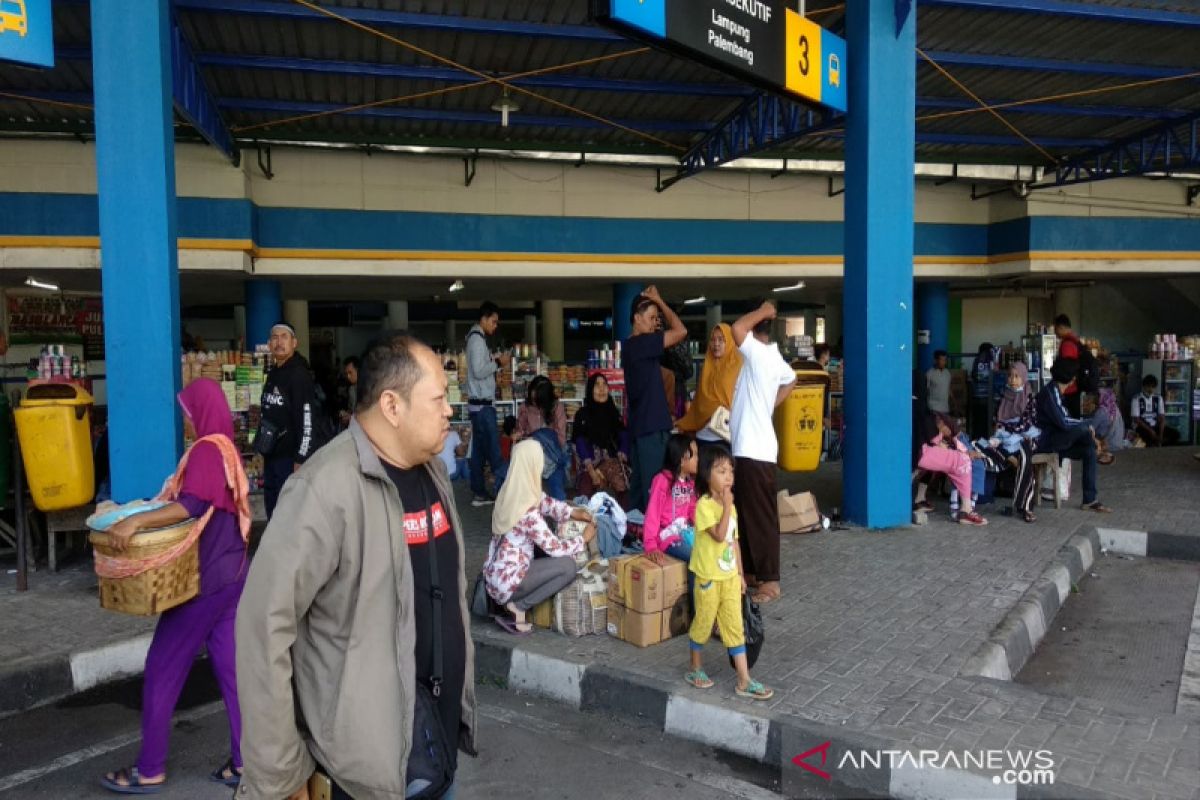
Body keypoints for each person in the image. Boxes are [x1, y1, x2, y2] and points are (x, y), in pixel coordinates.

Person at [236, 331, 477, 800]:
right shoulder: (323, 490)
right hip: (362, 773)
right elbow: (262, 625)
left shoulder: (434, 473)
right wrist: (281, 775)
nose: (450, 409)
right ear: (392, 406)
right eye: (438, 398)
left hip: (434, 747)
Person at [100, 378, 251, 794]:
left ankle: (149, 768)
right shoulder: (228, 449)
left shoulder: (206, 449)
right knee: (232, 671)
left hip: (202, 581)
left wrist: (135, 520)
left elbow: (191, 505)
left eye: (187, 413)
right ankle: (245, 762)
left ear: (200, 413)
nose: (186, 421)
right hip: (234, 575)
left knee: (163, 667)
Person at [684, 445, 773, 701]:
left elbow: (733, 542)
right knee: (703, 622)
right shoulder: (704, 506)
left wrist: (741, 574)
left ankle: (744, 680)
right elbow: (720, 534)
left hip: (729, 579)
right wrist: (726, 507)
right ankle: (695, 667)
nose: (728, 476)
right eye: (721, 471)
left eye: (730, 471)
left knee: (734, 627)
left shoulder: (729, 507)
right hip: (708, 579)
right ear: (706, 474)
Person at [484, 439, 596, 635]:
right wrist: (584, 539)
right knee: (567, 566)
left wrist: (571, 512)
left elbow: (544, 502)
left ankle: (511, 604)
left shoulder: (509, 492)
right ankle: (518, 606)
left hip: (494, 577)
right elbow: (556, 549)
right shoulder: (527, 513)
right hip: (508, 583)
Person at [729, 300, 796, 605]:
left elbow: (736, 328)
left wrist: (765, 310)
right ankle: (755, 573)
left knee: (760, 517)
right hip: (749, 448)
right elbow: (791, 379)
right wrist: (771, 405)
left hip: (754, 450)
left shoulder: (757, 353)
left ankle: (770, 581)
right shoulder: (772, 357)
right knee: (747, 514)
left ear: (756, 331)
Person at [624, 285, 688, 512]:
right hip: (651, 430)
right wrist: (659, 300)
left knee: (640, 493)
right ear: (636, 319)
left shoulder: (631, 347)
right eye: (651, 318)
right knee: (655, 492)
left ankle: (636, 538)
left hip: (642, 428)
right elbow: (681, 331)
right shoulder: (642, 343)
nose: (654, 323)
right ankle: (652, 541)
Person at [258, 322, 323, 519]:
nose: (279, 342)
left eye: (284, 337)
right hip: (272, 455)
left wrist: (301, 458)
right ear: (269, 344)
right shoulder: (274, 374)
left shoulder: (298, 374)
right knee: (273, 508)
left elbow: (307, 418)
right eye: (275, 338)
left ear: (294, 343)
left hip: (289, 458)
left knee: (288, 513)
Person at [1036, 358, 1112, 514]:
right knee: (1084, 429)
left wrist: (1085, 427)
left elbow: (1066, 421)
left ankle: (1090, 500)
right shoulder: (1049, 393)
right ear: (1071, 378)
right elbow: (1064, 422)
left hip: (1059, 441)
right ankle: (1097, 449)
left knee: (1088, 451)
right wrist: (1087, 425)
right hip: (1048, 442)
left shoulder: (1057, 393)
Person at [467, 301, 512, 507]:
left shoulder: (476, 339)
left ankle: (479, 493)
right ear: (483, 319)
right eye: (493, 321)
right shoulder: (477, 340)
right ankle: (505, 491)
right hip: (483, 406)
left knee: (479, 451)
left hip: (478, 406)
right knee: (493, 452)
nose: (495, 326)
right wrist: (498, 363)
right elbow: (478, 371)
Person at [675, 324, 744, 457]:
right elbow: (699, 403)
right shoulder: (706, 367)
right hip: (704, 436)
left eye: (721, 340)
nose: (716, 344)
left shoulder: (738, 368)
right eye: (713, 340)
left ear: (729, 342)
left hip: (725, 436)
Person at [915, 412, 989, 526]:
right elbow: (937, 443)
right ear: (942, 423)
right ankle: (966, 511)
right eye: (949, 430)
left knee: (962, 462)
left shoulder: (934, 423)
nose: (949, 434)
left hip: (922, 452)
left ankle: (966, 509)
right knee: (963, 461)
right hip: (922, 453)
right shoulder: (931, 422)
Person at [992, 362, 1040, 523]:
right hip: (1006, 437)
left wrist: (1008, 427)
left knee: (1025, 460)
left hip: (1027, 436)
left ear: (1023, 378)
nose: (1013, 380)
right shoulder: (1004, 395)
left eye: (1017, 376)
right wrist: (1006, 428)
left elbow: (1026, 423)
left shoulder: (1029, 397)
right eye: (1010, 376)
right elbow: (997, 420)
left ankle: (1025, 507)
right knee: (987, 449)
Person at [642, 434, 699, 567]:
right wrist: (650, 545)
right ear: (681, 459)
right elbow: (653, 512)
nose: (698, 459)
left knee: (706, 553)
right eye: (694, 455)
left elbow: (693, 511)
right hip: (667, 537)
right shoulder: (662, 480)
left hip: (684, 533)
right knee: (695, 557)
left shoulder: (690, 483)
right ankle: (694, 589)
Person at [573, 373, 629, 498]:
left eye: (604, 384)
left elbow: (624, 434)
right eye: (597, 385)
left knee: (623, 490)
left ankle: (623, 516)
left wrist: (623, 452)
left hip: (612, 462)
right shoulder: (582, 414)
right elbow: (580, 441)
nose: (602, 388)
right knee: (586, 490)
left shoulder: (613, 413)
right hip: (590, 464)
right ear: (590, 389)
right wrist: (592, 471)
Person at [514, 375, 570, 500]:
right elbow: (521, 430)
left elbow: (561, 439)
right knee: (522, 492)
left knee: (558, 494)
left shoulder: (557, 408)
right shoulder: (525, 407)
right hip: (531, 457)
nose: (533, 400)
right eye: (531, 395)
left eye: (537, 398)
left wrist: (542, 441)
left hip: (552, 457)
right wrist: (519, 434)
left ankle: (560, 515)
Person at [1131, 374, 1179, 446]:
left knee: (1175, 434)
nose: (1150, 389)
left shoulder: (1158, 398)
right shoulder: (1136, 398)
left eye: (1153, 387)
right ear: (1144, 386)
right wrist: (1151, 431)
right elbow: (1136, 419)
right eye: (1148, 386)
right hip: (1142, 427)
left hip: (1155, 425)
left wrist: (1161, 434)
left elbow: (1162, 417)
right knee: (1147, 437)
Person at [1054, 314, 1085, 418]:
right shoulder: (1075, 340)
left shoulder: (1067, 344)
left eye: (1056, 328)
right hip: (1075, 388)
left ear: (1061, 327)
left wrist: (1062, 387)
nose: (1055, 332)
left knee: (1069, 419)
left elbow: (1067, 369)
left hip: (1069, 390)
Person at [926, 350, 952, 415]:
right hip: (933, 408)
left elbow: (948, 389)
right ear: (936, 360)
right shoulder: (929, 374)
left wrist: (955, 404)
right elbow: (925, 391)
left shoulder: (947, 373)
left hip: (945, 409)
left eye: (945, 360)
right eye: (942, 360)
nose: (944, 362)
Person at [338, 356, 360, 428]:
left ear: (358, 370)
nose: (348, 376)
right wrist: (345, 414)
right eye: (346, 373)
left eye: (350, 373)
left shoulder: (368, 388)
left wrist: (351, 418)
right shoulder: (351, 389)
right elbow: (351, 409)